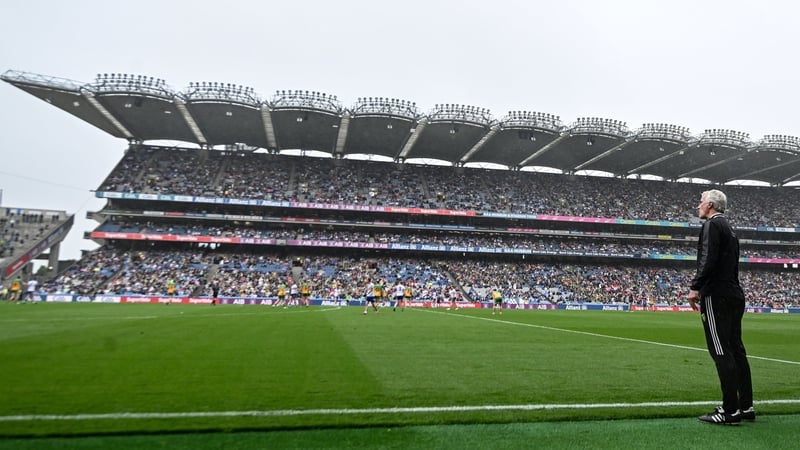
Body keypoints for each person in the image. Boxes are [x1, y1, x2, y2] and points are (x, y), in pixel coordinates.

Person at [687, 189, 754, 425]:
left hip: (716, 295)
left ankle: (729, 411)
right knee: (737, 350)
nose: (698, 205)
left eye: (701, 201)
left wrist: (696, 287)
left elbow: (708, 259)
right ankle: (745, 406)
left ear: (711, 205)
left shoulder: (711, 226)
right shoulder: (729, 228)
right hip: (734, 294)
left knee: (720, 350)